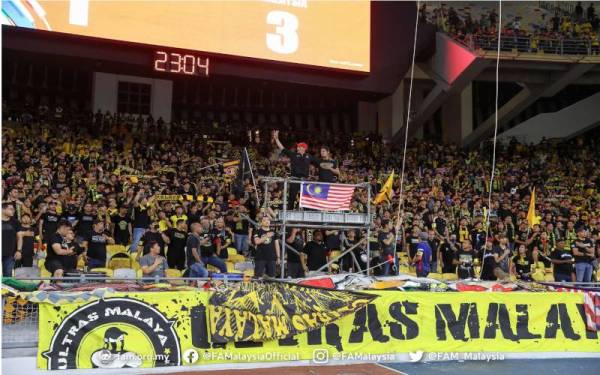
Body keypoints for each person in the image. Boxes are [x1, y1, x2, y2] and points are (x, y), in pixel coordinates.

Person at [273, 130, 315, 209]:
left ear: (304, 148)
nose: (298, 148)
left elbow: (318, 162)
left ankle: (306, 211)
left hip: (304, 180)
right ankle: (289, 211)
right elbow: (283, 149)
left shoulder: (309, 156)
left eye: (299, 146)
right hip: (294, 179)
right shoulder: (293, 154)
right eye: (298, 146)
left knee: (305, 197)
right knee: (292, 197)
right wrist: (276, 139)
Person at [2, 203, 19, 276]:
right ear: (3, 209)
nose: (13, 211)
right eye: (11, 209)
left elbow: (19, 237)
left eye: (14, 209)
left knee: (8, 276)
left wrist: (19, 250)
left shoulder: (15, 222)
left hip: (10, 254)